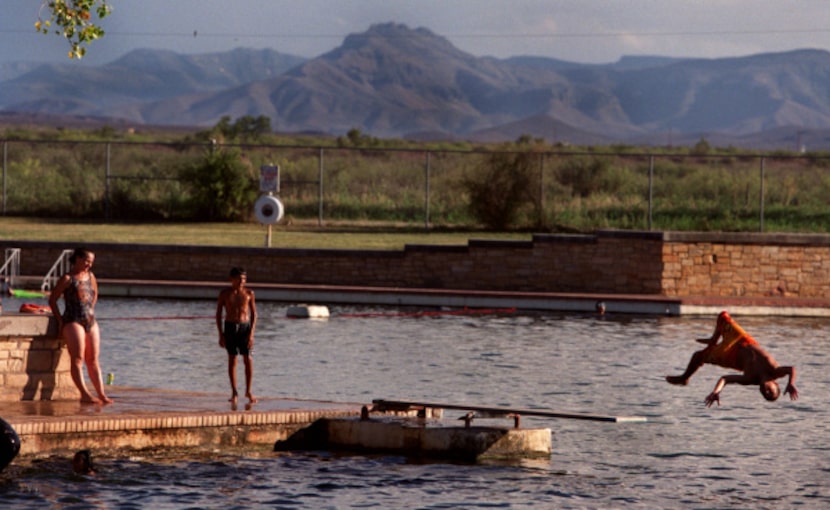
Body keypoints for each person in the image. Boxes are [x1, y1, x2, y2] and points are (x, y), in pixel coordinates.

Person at [666, 311, 798, 407]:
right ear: (776, 384)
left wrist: (715, 392)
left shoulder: (750, 379)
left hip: (729, 356)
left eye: (765, 394)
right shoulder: (775, 371)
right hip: (742, 340)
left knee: (698, 356)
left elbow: (725, 379)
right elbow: (792, 369)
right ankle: (714, 339)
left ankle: (684, 378)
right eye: (770, 391)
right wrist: (791, 383)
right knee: (723, 316)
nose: (766, 391)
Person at [48, 248, 113, 404]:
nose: (88, 265)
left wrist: (90, 308)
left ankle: (101, 393)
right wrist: (60, 320)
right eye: (86, 261)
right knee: (78, 358)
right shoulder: (67, 279)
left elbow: (94, 293)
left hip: (90, 320)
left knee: (93, 359)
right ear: (77, 259)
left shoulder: (90, 276)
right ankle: (84, 393)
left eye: (91, 262)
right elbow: (53, 300)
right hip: (72, 320)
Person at [216, 267, 258, 405]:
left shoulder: (249, 293)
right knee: (232, 359)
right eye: (239, 279)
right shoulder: (225, 294)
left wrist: (251, 334)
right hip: (230, 326)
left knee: (248, 359)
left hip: (244, 327)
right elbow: (218, 314)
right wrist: (220, 334)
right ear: (231, 279)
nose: (242, 281)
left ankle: (249, 391)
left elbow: (254, 315)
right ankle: (234, 392)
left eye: (244, 279)